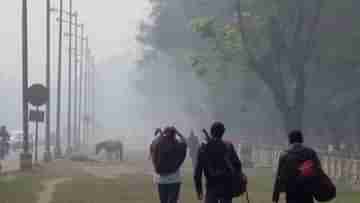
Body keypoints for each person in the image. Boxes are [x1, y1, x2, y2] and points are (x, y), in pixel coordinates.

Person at [194, 122, 245, 203]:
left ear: (211, 132)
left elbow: (197, 172)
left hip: (211, 185)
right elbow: (238, 166)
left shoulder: (203, 148)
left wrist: (199, 191)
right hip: (227, 186)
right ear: (223, 133)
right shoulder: (229, 146)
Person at [272, 130, 322, 203]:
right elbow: (318, 171)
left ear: (290, 140)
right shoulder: (311, 153)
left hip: (291, 193)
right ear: (301, 139)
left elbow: (279, 177)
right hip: (307, 192)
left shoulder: (285, 155)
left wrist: (275, 197)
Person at [150, 126, 187, 203]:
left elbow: (153, 145)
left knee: (163, 201)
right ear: (174, 134)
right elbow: (185, 143)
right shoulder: (177, 144)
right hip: (174, 179)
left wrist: (161, 134)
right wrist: (178, 133)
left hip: (161, 179)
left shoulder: (158, 143)